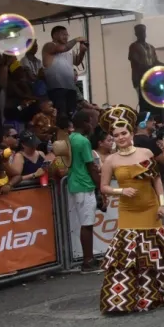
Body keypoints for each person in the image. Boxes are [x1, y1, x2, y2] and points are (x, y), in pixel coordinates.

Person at [97, 105, 164, 313]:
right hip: (128, 212)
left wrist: (163, 205)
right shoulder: (110, 160)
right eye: (116, 135)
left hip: (150, 209)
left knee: (153, 250)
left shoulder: (145, 152)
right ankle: (124, 300)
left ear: (130, 133)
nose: (121, 137)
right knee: (127, 254)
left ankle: (156, 295)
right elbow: (104, 187)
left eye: (124, 133)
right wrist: (121, 191)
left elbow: (157, 182)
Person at [68, 110, 103, 273]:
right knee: (87, 224)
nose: (93, 124)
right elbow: (91, 166)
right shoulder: (83, 141)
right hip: (84, 185)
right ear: (85, 123)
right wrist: (101, 186)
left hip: (75, 183)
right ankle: (87, 261)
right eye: (91, 121)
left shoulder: (70, 138)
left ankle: (89, 259)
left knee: (85, 223)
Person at [42, 26, 88, 118]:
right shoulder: (49, 45)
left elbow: (77, 61)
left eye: (67, 35)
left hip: (70, 87)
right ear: (55, 35)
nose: (66, 37)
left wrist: (82, 52)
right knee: (61, 115)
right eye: (63, 34)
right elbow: (63, 48)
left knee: (71, 115)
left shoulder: (69, 49)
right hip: (56, 88)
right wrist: (76, 39)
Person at [128, 24, 163, 113]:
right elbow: (137, 62)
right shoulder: (133, 47)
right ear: (136, 34)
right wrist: (150, 68)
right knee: (144, 103)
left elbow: (156, 61)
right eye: (140, 32)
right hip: (140, 79)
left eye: (143, 32)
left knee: (154, 102)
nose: (142, 34)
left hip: (152, 79)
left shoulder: (151, 47)